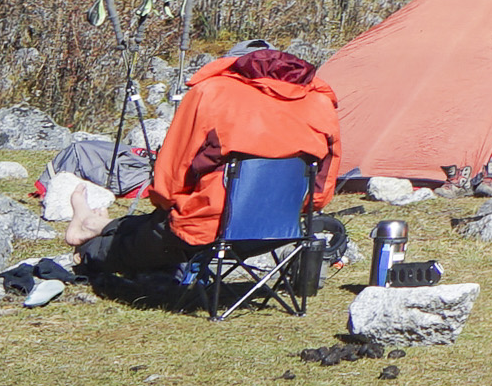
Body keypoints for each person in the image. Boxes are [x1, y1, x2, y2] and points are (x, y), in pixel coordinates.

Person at [74, 45, 342, 287]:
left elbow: (169, 183)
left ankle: (89, 242)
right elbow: (320, 192)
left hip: (212, 230)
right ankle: (96, 224)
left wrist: (171, 206)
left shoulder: (210, 93)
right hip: (283, 229)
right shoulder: (320, 103)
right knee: (165, 225)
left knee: (156, 231)